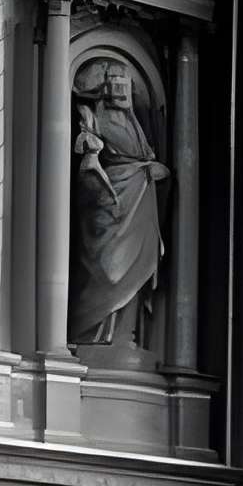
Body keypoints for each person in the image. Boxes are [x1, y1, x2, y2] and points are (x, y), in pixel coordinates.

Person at [69, 59, 168, 347]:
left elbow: (144, 155)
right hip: (112, 200)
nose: (122, 89)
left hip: (139, 201)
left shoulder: (134, 119)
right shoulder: (92, 114)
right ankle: (91, 334)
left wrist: (150, 169)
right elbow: (87, 158)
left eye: (125, 83)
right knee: (109, 269)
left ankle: (123, 334)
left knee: (136, 267)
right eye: (115, 82)